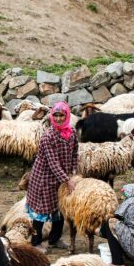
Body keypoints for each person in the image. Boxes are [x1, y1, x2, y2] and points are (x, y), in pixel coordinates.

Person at [26, 102, 78, 250]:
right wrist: (67, 180)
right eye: (56, 115)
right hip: (44, 179)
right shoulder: (48, 136)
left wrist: (74, 172)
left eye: (61, 115)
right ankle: (36, 242)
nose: (58, 118)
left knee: (60, 209)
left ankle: (54, 239)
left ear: (67, 116)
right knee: (41, 211)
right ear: (51, 116)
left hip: (61, 178)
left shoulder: (72, 132)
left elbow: (75, 153)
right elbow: (53, 162)